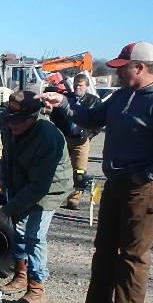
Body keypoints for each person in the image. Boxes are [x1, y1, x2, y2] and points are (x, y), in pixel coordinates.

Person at [41, 41, 153, 303]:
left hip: (144, 189)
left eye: (123, 68)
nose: (118, 74)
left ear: (140, 67)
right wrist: (64, 103)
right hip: (118, 184)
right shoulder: (123, 96)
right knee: (105, 250)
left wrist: (147, 174)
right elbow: (90, 118)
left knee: (132, 256)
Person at [0, 90, 73, 303]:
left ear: (34, 117)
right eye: (10, 120)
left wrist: (6, 210)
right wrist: (5, 179)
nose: (12, 126)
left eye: (19, 122)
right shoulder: (8, 123)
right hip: (22, 182)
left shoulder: (48, 136)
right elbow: (7, 154)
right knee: (18, 230)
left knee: (34, 235)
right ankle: (21, 274)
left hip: (49, 188)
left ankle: (37, 289)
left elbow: (40, 187)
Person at [60, 72, 101, 209]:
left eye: (81, 85)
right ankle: (60, 196)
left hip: (81, 141)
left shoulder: (94, 101)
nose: (77, 88)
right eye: (76, 85)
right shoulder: (66, 99)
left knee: (79, 171)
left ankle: (74, 199)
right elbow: (56, 117)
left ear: (87, 87)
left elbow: (99, 122)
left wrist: (89, 136)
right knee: (61, 169)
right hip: (65, 139)